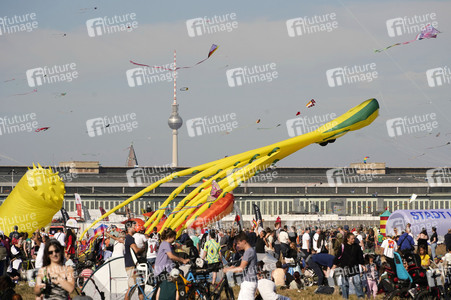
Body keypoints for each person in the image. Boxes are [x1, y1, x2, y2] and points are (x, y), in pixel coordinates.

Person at [224, 231, 258, 300]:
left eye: (239, 243)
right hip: (247, 282)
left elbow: (241, 269)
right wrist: (234, 267)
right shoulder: (250, 251)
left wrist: (228, 270)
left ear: (244, 241)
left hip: (249, 283)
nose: (237, 246)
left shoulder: (248, 252)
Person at [333, 233, 365, 299]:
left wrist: (362, 265)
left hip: (355, 268)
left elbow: (360, 257)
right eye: (352, 239)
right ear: (348, 239)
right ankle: (345, 297)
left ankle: (360, 297)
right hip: (345, 268)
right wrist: (334, 265)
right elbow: (338, 257)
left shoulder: (357, 247)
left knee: (357, 282)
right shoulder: (342, 246)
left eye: (354, 238)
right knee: (344, 284)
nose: (353, 240)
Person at [124, 222, 144, 300]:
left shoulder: (128, 238)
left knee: (138, 286)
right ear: (128, 228)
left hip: (131, 265)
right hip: (131, 265)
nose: (135, 228)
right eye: (133, 227)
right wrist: (142, 249)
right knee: (131, 287)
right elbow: (136, 250)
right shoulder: (130, 238)